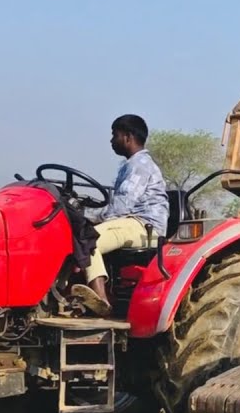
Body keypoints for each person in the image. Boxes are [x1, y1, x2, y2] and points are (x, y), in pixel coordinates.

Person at [71, 114, 169, 316]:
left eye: (114, 135)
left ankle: (101, 301)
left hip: (145, 226)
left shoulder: (139, 165)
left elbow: (121, 207)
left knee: (89, 239)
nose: (111, 141)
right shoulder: (130, 165)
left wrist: (85, 215)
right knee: (79, 236)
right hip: (132, 223)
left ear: (127, 137)